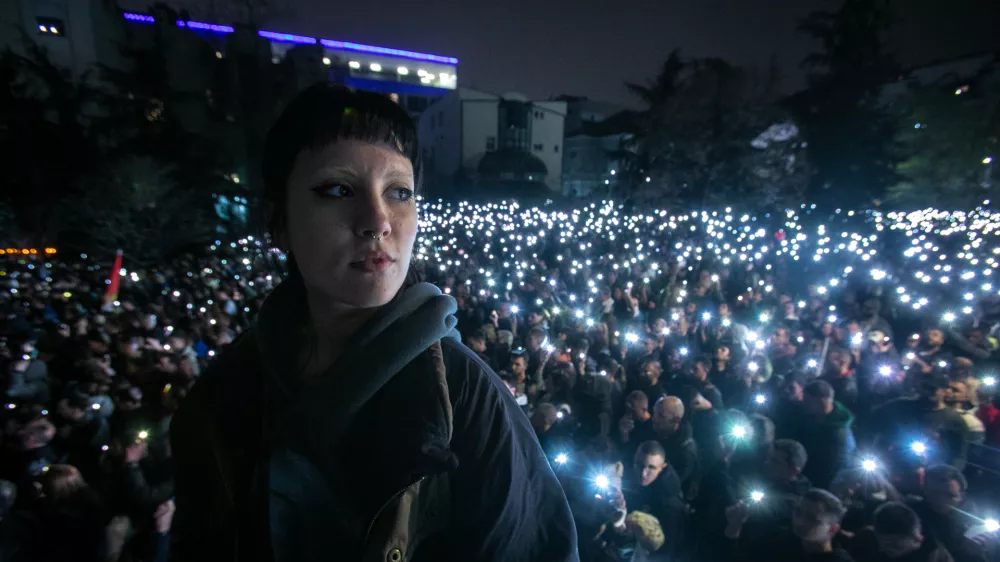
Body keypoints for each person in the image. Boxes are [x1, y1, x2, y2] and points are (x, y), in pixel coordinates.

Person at [170, 84, 578, 561]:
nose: (378, 220)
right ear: (277, 220)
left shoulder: (464, 393)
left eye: (399, 192)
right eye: (338, 190)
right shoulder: (223, 396)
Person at [724, 488, 855, 562]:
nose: (799, 521)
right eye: (798, 512)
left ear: (832, 529)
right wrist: (734, 527)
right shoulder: (778, 541)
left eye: (811, 518)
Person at [621, 440, 688, 561]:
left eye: (651, 468)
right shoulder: (635, 480)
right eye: (640, 465)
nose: (643, 473)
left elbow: (666, 552)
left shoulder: (670, 505)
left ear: (663, 468)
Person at [792, 380, 856, 489]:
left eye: (808, 401)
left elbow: (835, 467)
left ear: (822, 401)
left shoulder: (840, 433)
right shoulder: (808, 418)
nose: (804, 403)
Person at [847, 502, 954, 562]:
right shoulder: (865, 539)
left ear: (917, 539)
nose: (882, 549)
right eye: (881, 543)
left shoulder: (936, 556)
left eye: (894, 546)